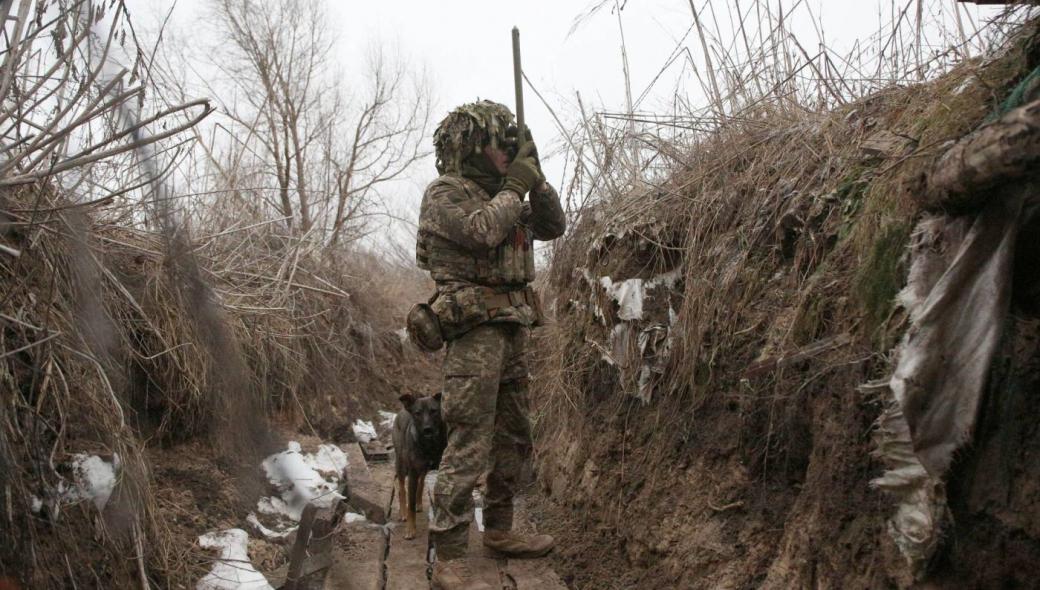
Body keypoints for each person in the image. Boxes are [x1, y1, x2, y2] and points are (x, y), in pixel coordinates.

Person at [416, 100, 566, 590]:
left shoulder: (506, 194)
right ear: (469, 147)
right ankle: (451, 552)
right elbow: (482, 232)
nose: (506, 152)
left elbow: (552, 226)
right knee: (468, 440)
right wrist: (516, 185)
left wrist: (535, 176)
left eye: (510, 143)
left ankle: (499, 530)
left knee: (513, 436)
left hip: (512, 329)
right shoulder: (446, 193)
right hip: (473, 334)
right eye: (498, 143)